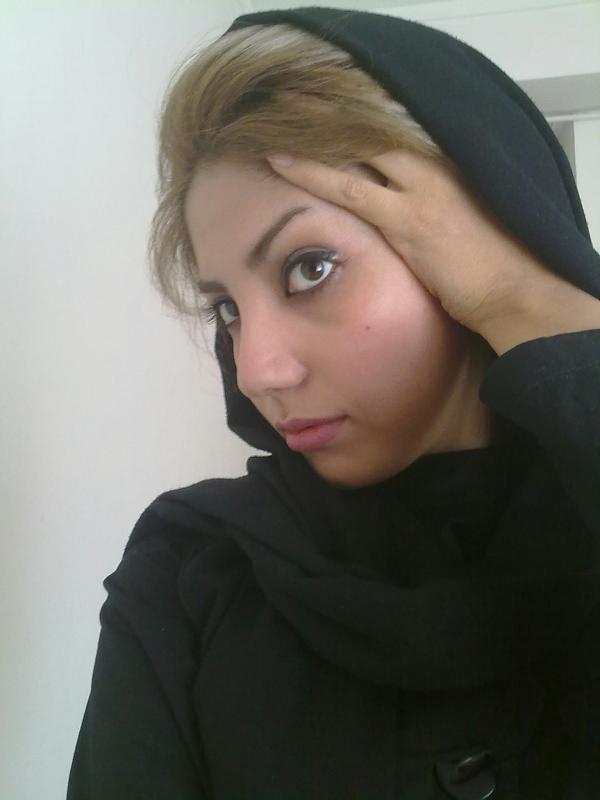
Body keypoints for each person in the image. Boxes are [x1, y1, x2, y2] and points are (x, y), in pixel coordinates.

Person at [67, 7, 600, 799]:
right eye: (228, 309)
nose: (256, 370)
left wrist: (535, 298)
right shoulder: (188, 571)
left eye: (308, 267)